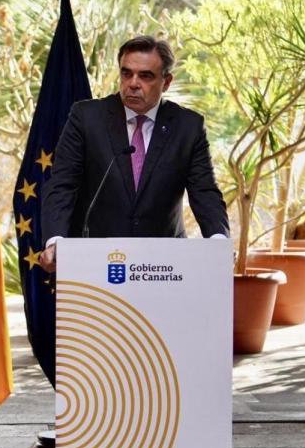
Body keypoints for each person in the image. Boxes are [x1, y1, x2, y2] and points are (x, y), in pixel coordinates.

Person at [38, 35, 229, 272]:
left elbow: (204, 191)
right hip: (96, 262)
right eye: (126, 73)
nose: (133, 83)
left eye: (145, 76)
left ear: (166, 82)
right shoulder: (86, 118)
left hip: (164, 266)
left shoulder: (187, 127)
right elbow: (62, 185)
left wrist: (218, 242)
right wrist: (56, 241)